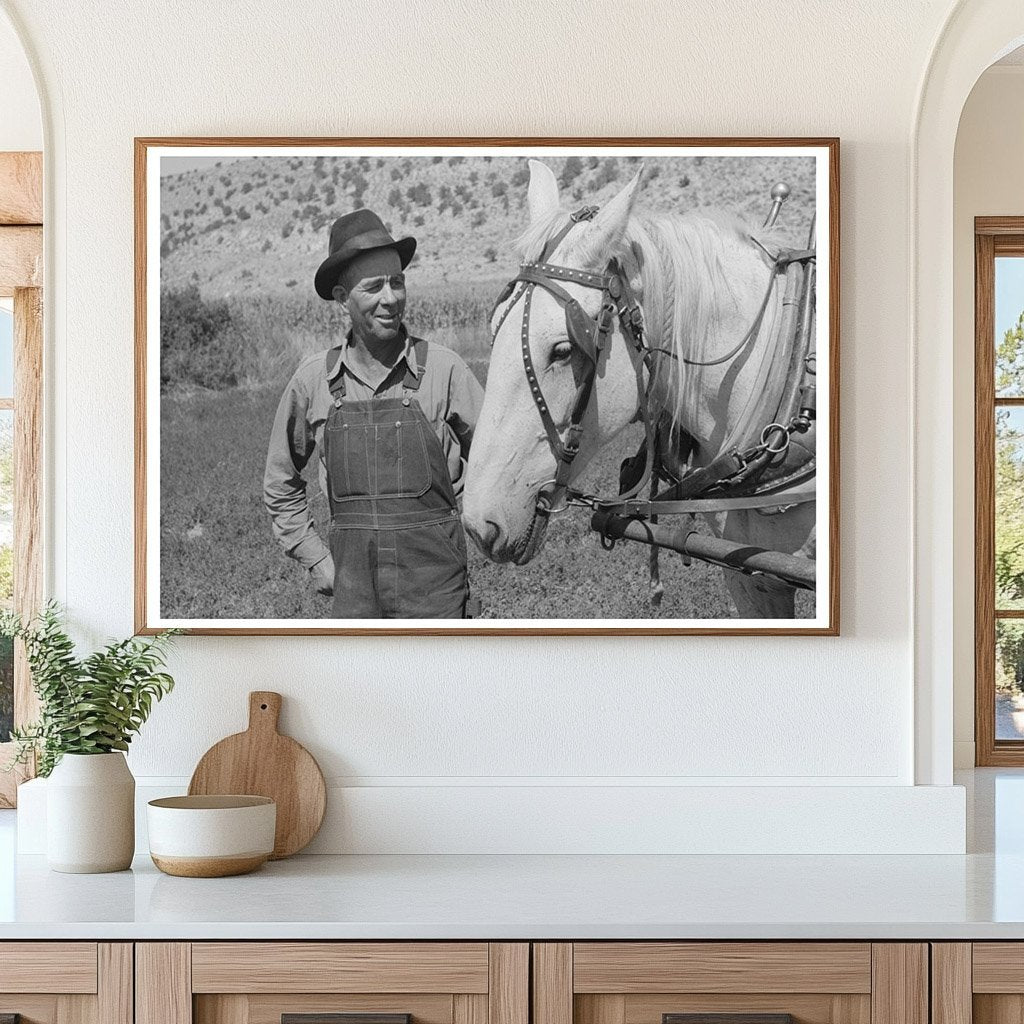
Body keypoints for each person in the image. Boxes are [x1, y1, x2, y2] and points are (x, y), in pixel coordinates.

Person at [263, 209, 484, 618]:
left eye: (397, 283)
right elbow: (280, 481)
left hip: (438, 592)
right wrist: (316, 558)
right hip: (354, 593)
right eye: (374, 286)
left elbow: (497, 462)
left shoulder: (445, 369)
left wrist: (477, 526)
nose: (391, 298)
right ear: (342, 299)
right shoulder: (314, 380)